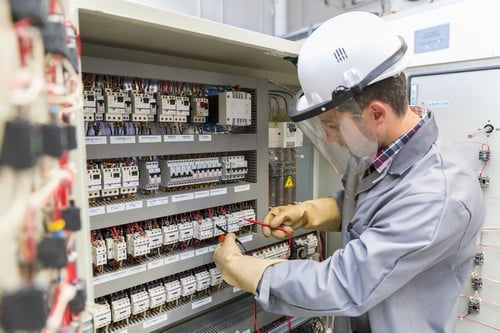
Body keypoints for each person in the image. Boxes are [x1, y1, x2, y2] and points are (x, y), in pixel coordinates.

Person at [213, 11, 484, 333]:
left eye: (331, 125)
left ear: (376, 113)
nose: (329, 137)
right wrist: (311, 212)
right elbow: (374, 208)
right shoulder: (374, 147)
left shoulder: (439, 196)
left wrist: (245, 269)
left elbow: (344, 285)